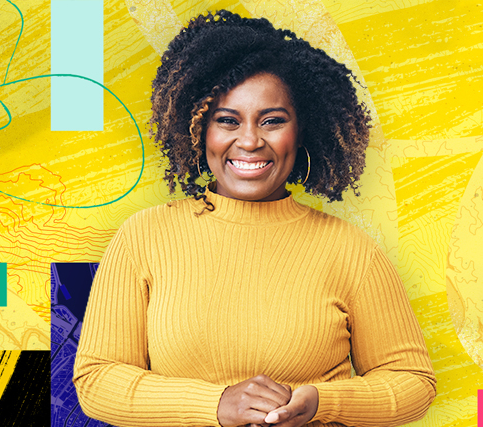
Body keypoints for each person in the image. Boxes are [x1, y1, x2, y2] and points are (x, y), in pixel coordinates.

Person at [72, 10, 435, 427]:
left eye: (272, 121)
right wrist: (216, 404)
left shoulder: (351, 249)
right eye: (227, 120)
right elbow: (97, 381)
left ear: (302, 131)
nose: (249, 141)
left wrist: (323, 402)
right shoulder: (144, 237)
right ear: (198, 129)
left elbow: (413, 383)